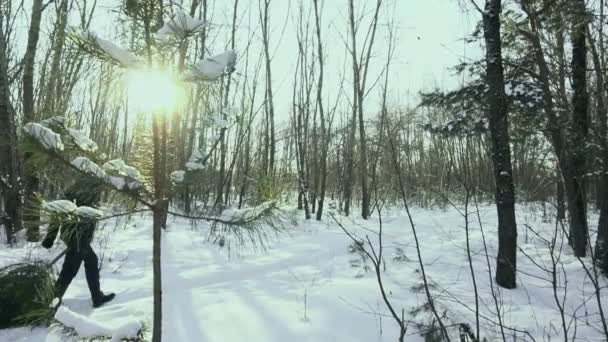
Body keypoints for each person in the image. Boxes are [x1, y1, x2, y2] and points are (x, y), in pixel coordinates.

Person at [41, 176, 115, 308]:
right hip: (76, 238)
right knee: (69, 270)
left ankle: (96, 297)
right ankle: (52, 303)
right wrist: (49, 239)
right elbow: (59, 213)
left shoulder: (89, 193)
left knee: (91, 261)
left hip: (79, 238)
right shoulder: (75, 194)